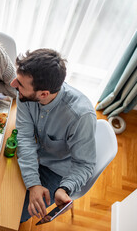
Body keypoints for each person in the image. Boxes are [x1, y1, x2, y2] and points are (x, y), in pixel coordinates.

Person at [10, 49, 97, 222]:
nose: (13, 84)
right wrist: (33, 183)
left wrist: (65, 188)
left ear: (43, 94)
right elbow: (25, 138)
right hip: (30, 153)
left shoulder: (80, 116)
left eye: (20, 83)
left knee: (12, 214)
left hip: (55, 170)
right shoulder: (25, 95)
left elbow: (85, 164)